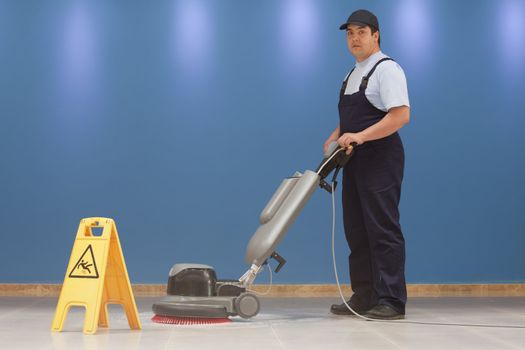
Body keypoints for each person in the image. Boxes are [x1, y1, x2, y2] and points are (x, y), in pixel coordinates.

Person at [325, 9, 410, 320]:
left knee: (382, 228)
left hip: (381, 160)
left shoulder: (387, 69)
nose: (354, 38)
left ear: (376, 35)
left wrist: (359, 136)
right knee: (356, 230)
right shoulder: (352, 73)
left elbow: (400, 116)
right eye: (349, 33)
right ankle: (364, 294)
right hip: (354, 161)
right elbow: (351, 118)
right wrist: (334, 137)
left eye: (361, 32)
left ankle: (391, 299)